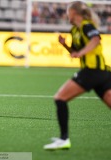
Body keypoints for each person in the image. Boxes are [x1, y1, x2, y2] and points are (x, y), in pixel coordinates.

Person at [44, 1, 111, 150]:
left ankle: (64, 139)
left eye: (68, 11)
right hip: (101, 73)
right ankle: (63, 139)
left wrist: (81, 53)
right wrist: (64, 45)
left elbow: (96, 40)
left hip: (94, 70)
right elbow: (75, 52)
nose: (66, 14)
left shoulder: (87, 26)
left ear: (74, 13)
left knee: (60, 98)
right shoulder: (74, 30)